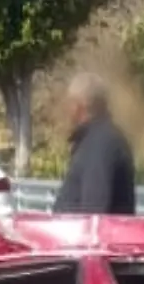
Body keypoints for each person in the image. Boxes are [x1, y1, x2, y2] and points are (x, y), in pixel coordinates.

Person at [52, 73, 136, 215]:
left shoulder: (100, 145)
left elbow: (94, 210)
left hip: (89, 236)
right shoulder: (98, 140)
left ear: (78, 106)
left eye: (69, 102)